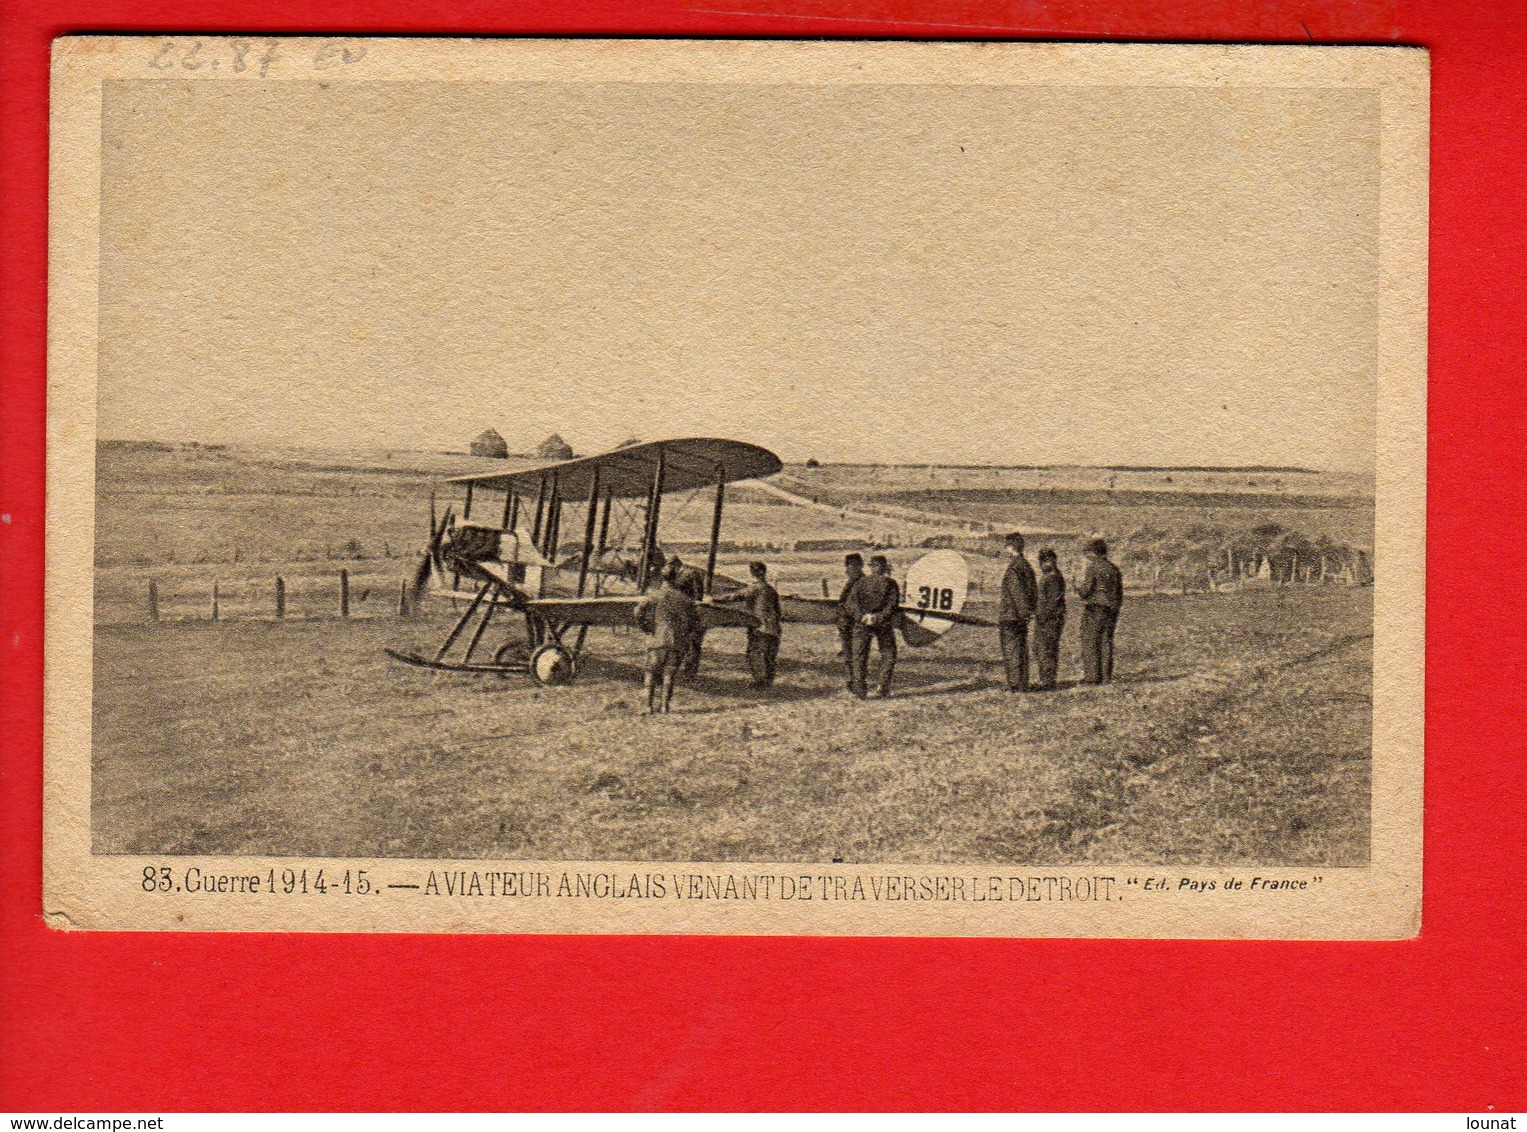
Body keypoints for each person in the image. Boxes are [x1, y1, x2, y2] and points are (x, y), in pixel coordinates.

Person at [633, 560, 699, 714]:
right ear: (676, 578)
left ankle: (648, 706)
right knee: (669, 675)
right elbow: (695, 620)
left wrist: (645, 626)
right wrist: (685, 632)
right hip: (677, 641)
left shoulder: (655, 595)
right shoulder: (685, 599)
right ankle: (664, 707)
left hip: (658, 639)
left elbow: (637, 611)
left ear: (663, 578)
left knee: (650, 672)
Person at [711, 561, 782, 688]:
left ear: (752, 573)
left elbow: (732, 597)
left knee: (755, 654)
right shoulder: (771, 590)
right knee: (769, 655)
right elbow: (778, 611)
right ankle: (768, 681)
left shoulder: (753, 588)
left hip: (759, 628)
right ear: (764, 572)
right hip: (774, 628)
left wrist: (713, 599)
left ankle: (760, 682)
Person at [847, 554, 900, 698]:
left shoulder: (860, 582)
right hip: (882, 623)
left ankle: (860, 690)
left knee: (859, 655)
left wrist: (862, 616)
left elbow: (850, 604)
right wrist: (879, 617)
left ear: (871, 567)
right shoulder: (890, 583)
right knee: (889, 653)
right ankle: (883, 686)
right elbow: (892, 605)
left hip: (862, 623)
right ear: (884, 567)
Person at [1076, 537, 1124, 684]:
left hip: (1095, 608)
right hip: (1111, 609)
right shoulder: (1114, 568)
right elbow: (1119, 592)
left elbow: (1086, 591)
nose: (1087, 556)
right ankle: (1105, 677)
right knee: (1105, 641)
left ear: (1094, 552)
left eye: (1088, 553)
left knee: (1090, 641)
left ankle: (1092, 677)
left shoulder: (1094, 567)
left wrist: (1077, 587)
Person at [997, 532, 1038, 692]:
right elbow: (1033, 592)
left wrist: (1022, 613)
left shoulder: (1014, 568)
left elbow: (1017, 593)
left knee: (1011, 649)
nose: (1005, 550)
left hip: (1011, 616)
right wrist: (1029, 612)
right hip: (1021, 616)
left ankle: (1014, 683)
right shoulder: (1027, 566)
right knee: (1021, 649)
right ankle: (1022, 682)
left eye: (1007, 546)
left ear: (1011, 547)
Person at [667, 554, 708, 678]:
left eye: (671, 567)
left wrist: (694, 609)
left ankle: (690, 671)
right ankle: (685, 668)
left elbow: (698, 592)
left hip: (690, 612)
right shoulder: (679, 574)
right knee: (682, 641)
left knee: (692, 642)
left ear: (675, 565)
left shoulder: (691, 573)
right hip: (681, 612)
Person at [1032, 547, 1066, 690]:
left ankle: (1047, 681)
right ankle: (1046, 679)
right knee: (1042, 648)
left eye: (1043, 562)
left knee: (1046, 649)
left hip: (1049, 619)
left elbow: (1052, 602)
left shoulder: (1052, 578)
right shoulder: (1052, 576)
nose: (1041, 566)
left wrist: (1041, 616)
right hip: (1047, 618)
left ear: (1050, 561)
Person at [836, 553, 866, 685]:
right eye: (847, 565)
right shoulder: (850, 582)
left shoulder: (863, 582)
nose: (848, 569)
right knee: (848, 654)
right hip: (846, 625)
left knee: (858, 656)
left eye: (853, 565)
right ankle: (851, 679)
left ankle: (857, 683)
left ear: (860, 566)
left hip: (856, 625)